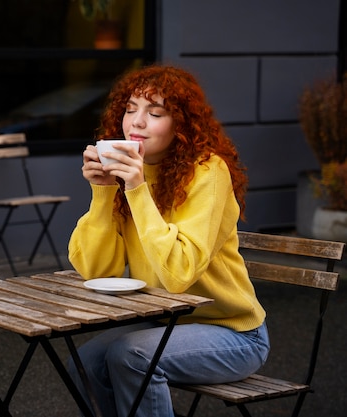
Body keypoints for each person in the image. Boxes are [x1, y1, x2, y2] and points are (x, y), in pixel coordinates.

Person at [67, 65, 270, 417]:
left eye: (155, 113)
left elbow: (178, 275)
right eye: (130, 109)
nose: (136, 122)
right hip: (165, 321)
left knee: (131, 356)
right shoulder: (131, 170)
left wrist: (136, 188)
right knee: (84, 363)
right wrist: (102, 192)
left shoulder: (208, 172)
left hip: (232, 333)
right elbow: (98, 270)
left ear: (181, 125)